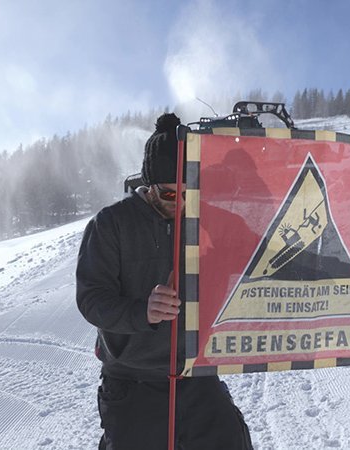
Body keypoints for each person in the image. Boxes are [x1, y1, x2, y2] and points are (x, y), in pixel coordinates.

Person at [76, 113, 252, 450]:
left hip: (194, 372)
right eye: (171, 195)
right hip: (132, 376)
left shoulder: (207, 218)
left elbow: (272, 253)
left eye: (190, 192)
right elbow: (91, 299)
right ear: (148, 183)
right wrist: (144, 311)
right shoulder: (112, 223)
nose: (182, 203)